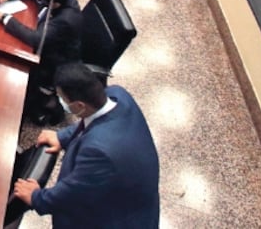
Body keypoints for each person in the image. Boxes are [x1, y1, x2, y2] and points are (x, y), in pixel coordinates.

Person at [14, 63, 160, 228]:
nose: (61, 102)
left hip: (113, 219)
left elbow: (73, 192)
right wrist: (63, 137)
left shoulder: (100, 153)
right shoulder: (117, 96)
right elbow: (91, 119)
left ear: (79, 106)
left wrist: (37, 197)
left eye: (62, 98)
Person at [0, 0, 83, 121]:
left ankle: (48, 104)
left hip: (55, 60)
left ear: (52, 3)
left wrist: (5, 17)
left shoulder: (65, 20)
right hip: (52, 42)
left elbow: (35, 39)